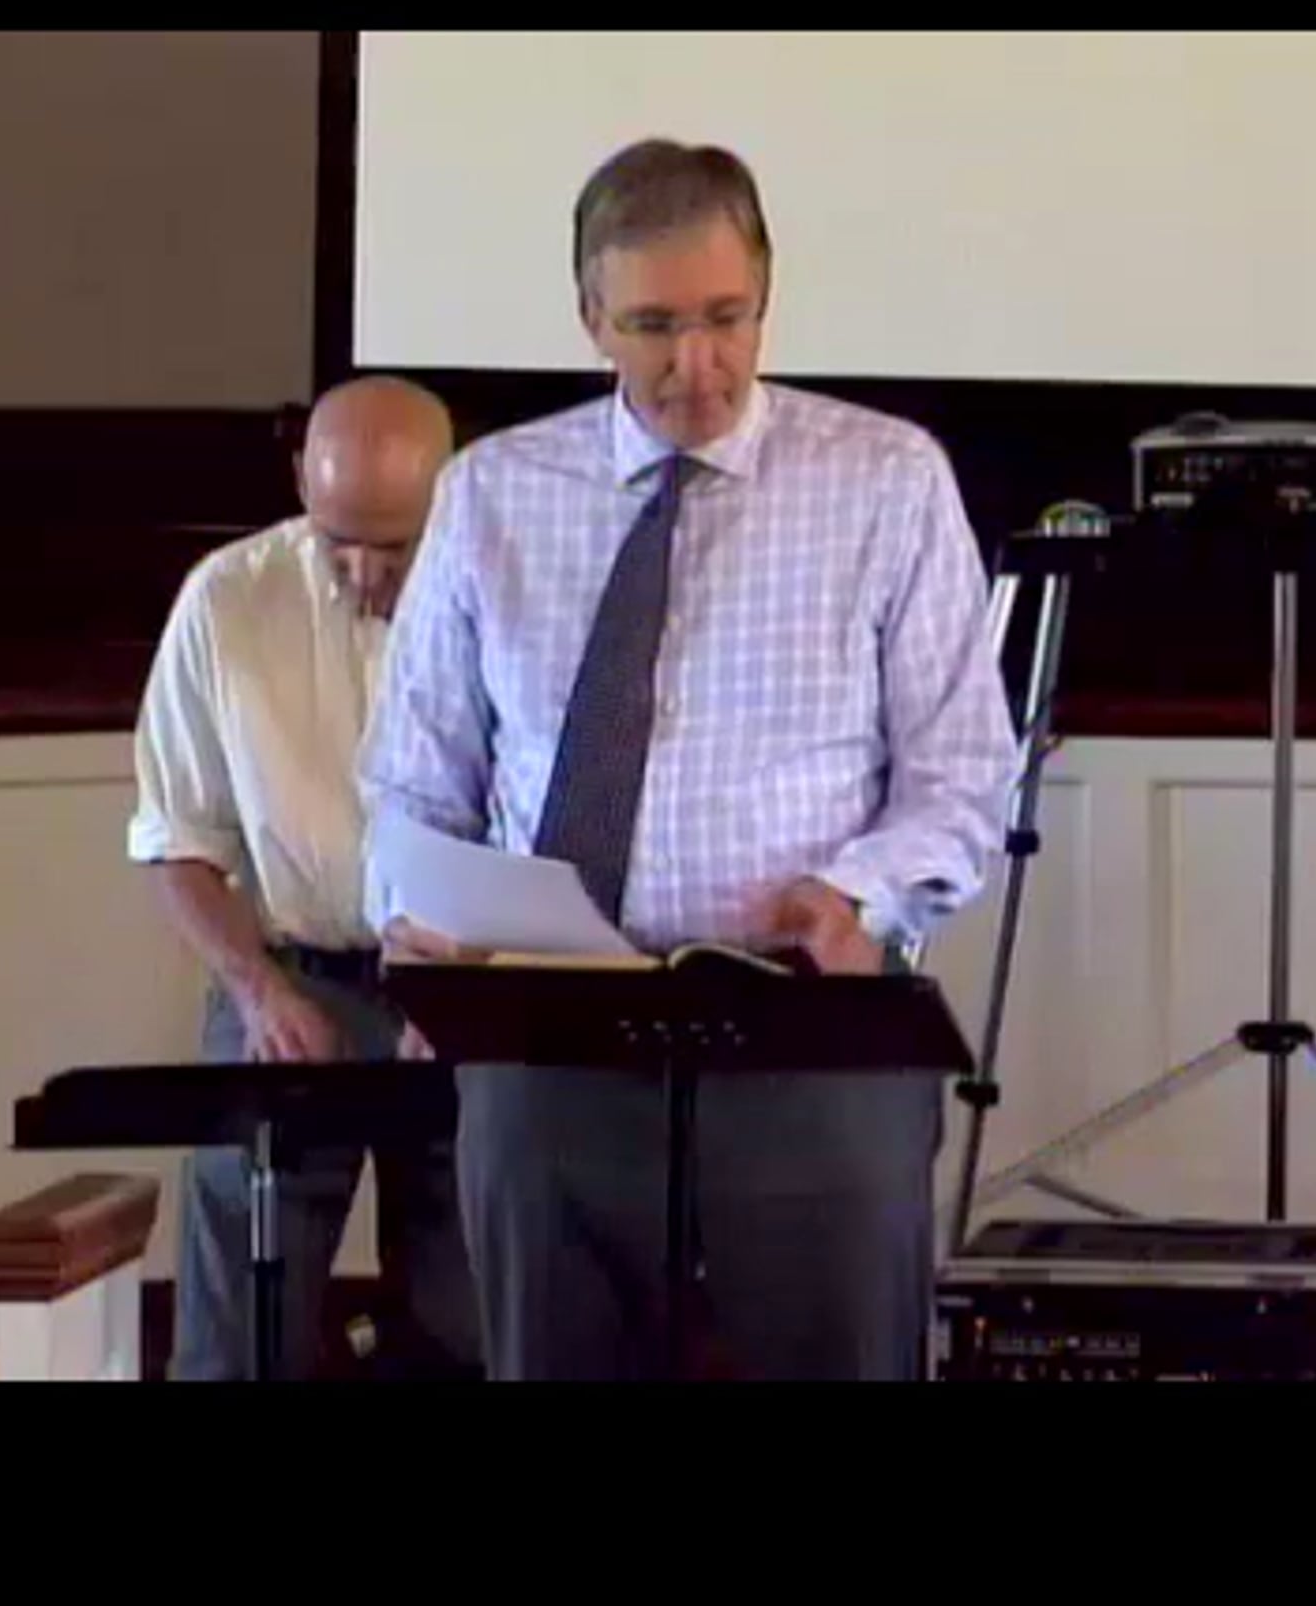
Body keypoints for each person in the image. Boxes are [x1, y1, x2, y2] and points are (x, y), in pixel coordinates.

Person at [362, 140, 1017, 1380]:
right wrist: (412, 916)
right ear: (590, 318)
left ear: (766, 297)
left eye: (727, 318)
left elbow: (963, 774)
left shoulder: (886, 480)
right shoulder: (492, 493)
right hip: (547, 1026)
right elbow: (413, 778)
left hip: (804, 1024)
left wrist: (857, 896)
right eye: (654, 327)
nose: (697, 365)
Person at [129, 376, 478, 1380]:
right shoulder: (227, 600)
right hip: (291, 975)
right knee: (237, 1322)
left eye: (397, 548)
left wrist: (472, 982)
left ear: (450, 495)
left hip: (466, 987)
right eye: (339, 543)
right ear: (300, 484)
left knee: (473, 1321)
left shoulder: (508, 593)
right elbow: (177, 839)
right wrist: (258, 992)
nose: (366, 574)